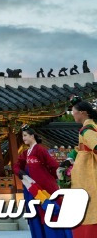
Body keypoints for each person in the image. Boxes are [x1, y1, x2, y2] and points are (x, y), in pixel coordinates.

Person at [14, 125, 71, 238]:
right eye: (22, 136)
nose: (24, 138)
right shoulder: (26, 153)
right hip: (31, 188)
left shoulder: (40, 149)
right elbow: (16, 165)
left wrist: (60, 177)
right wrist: (19, 171)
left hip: (44, 187)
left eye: (25, 135)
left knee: (48, 212)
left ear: (32, 136)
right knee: (35, 213)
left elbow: (53, 165)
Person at [60, 97, 97, 238]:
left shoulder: (87, 130)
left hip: (87, 173)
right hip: (87, 171)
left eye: (73, 111)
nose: (72, 113)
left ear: (82, 113)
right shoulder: (89, 127)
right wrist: (69, 160)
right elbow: (80, 148)